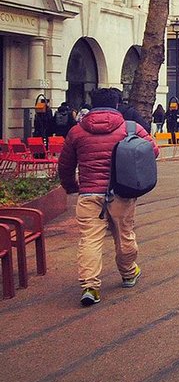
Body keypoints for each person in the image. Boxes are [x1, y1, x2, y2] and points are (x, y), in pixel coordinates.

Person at [58, 87, 159, 306]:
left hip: (88, 194)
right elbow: (154, 151)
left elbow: (65, 165)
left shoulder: (77, 131)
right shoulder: (130, 128)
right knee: (124, 235)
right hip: (121, 193)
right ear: (116, 104)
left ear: (92, 104)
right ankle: (129, 273)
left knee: (90, 240)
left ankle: (90, 287)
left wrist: (70, 186)